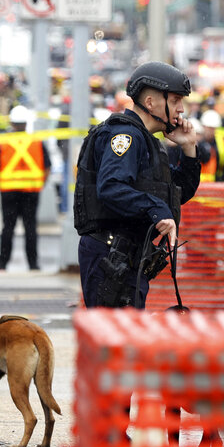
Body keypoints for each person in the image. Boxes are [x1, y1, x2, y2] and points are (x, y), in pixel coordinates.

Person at [73, 61, 200, 309]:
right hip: (110, 257)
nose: (181, 109)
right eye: (175, 100)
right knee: (113, 341)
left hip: (126, 256)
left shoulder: (147, 141)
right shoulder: (126, 136)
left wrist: (189, 149)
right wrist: (156, 211)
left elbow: (178, 192)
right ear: (151, 102)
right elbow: (111, 187)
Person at [0, 105, 51, 271]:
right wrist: (39, 183)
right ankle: (33, 264)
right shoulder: (36, 142)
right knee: (30, 228)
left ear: (12, 122)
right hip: (31, 192)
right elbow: (47, 167)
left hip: (8, 192)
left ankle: (2, 264)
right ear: (25, 123)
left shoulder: (3, 143)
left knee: (7, 228)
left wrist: (2, 185)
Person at [197, 109, 224, 182]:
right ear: (203, 127)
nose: (210, 131)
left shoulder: (220, 143)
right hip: (197, 183)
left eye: (213, 128)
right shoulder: (198, 141)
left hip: (214, 182)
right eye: (209, 128)